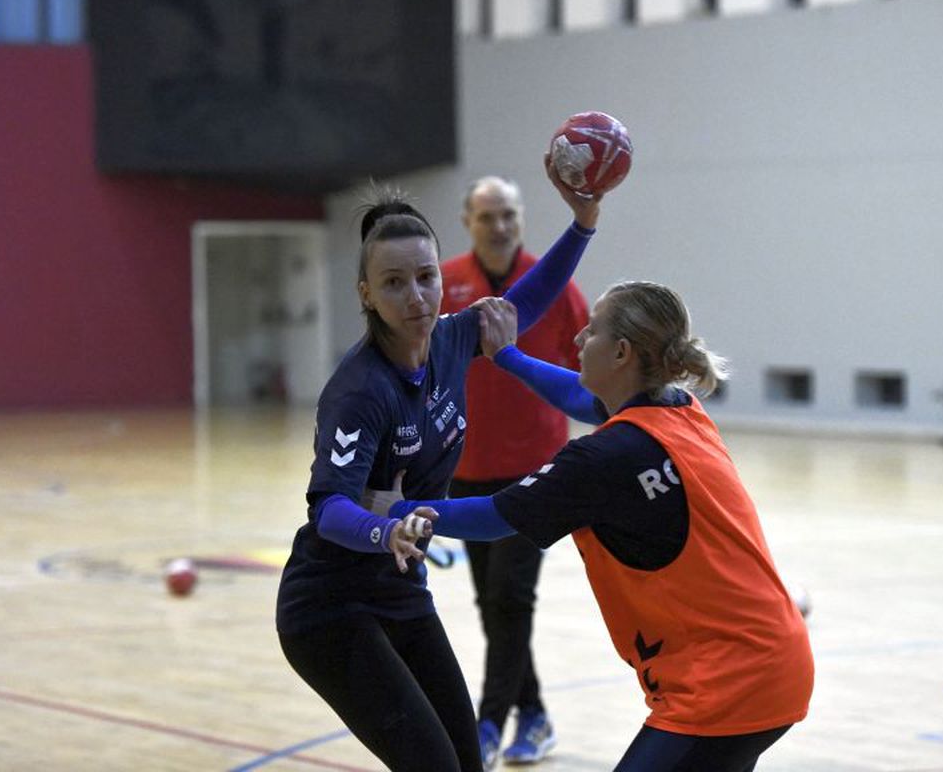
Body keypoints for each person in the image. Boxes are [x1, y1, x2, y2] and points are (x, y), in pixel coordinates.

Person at [369, 283, 815, 772]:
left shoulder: (604, 459)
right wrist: (508, 357)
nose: (580, 337)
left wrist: (397, 508)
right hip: (772, 660)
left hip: (727, 682)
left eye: (594, 329)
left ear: (621, 352)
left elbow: (496, 517)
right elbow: (583, 400)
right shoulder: (679, 408)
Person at [274, 158, 605, 772]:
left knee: (465, 762)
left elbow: (522, 306)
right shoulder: (359, 390)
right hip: (328, 607)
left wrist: (582, 224)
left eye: (425, 276)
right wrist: (386, 528)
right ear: (366, 294)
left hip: (399, 590)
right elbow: (328, 507)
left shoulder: (452, 338)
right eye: (394, 283)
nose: (417, 295)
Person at [440, 176, 587, 768]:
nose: (500, 225)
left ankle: (488, 723)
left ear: (521, 219)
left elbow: (587, 367)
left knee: (511, 597)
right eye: (487, 216)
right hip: (466, 469)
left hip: (537, 471)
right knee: (490, 603)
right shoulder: (445, 282)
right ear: (468, 221)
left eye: (509, 214)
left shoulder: (553, 281)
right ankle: (536, 713)